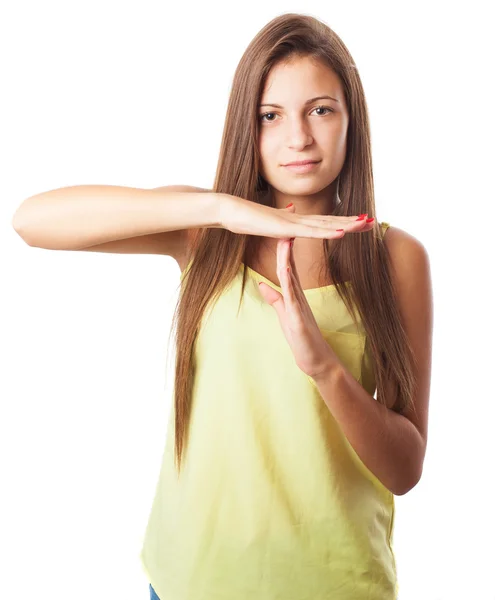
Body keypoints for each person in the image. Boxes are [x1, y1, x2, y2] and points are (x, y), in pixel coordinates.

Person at [12, 13, 432, 600]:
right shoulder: (205, 228)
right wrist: (223, 209)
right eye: (270, 116)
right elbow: (32, 222)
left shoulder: (396, 257)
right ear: (247, 125)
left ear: (350, 120)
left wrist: (325, 369)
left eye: (320, 109)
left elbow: (405, 468)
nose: (299, 138)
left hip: (335, 586)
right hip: (191, 583)